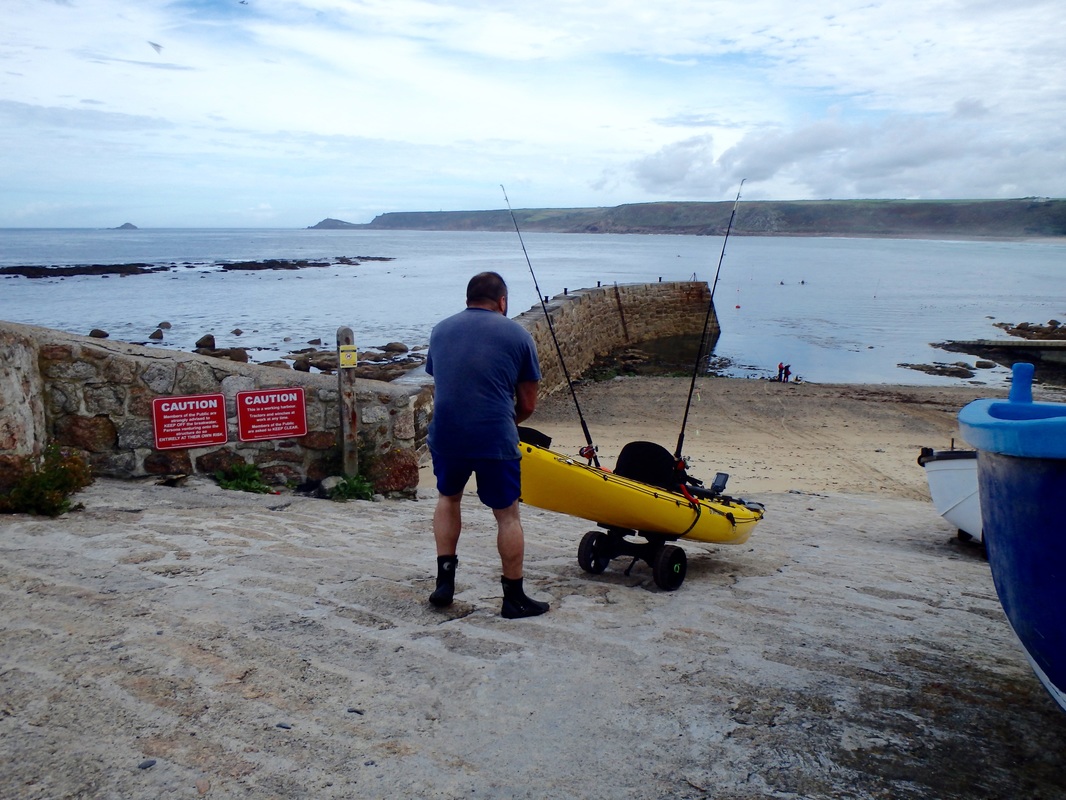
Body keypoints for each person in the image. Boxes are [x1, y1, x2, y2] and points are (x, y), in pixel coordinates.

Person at [425, 271, 549, 619]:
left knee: (448, 498)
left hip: (447, 433)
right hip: (494, 435)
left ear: (468, 299)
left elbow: (446, 379)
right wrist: (506, 424)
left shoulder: (441, 329)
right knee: (507, 515)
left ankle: (444, 584)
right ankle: (514, 598)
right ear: (503, 302)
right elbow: (527, 404)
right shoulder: (519, 335)